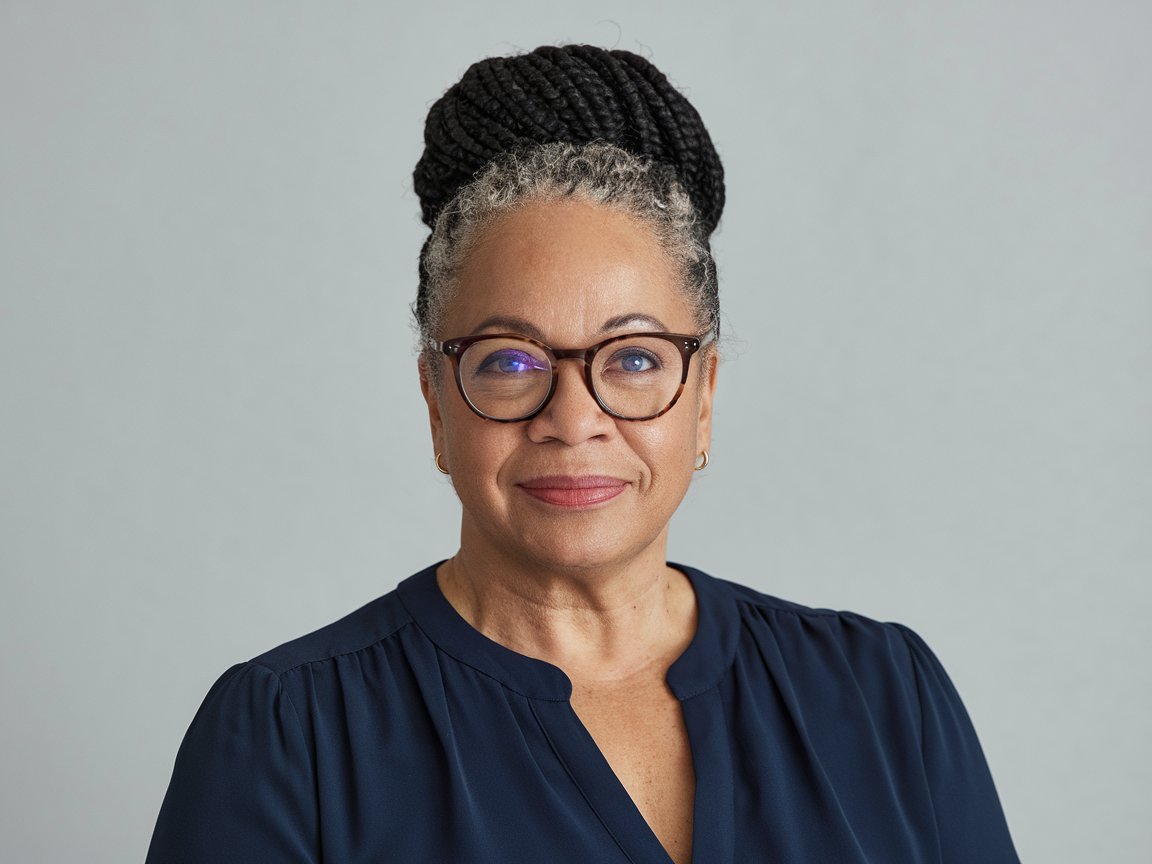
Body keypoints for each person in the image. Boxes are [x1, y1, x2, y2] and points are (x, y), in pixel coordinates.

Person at [146, 45, 1019, 863]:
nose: (574, 418)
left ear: (703, 397)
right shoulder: (288, 735)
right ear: (435, 403)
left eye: (634, 359)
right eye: (508, 361)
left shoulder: (886, 700)